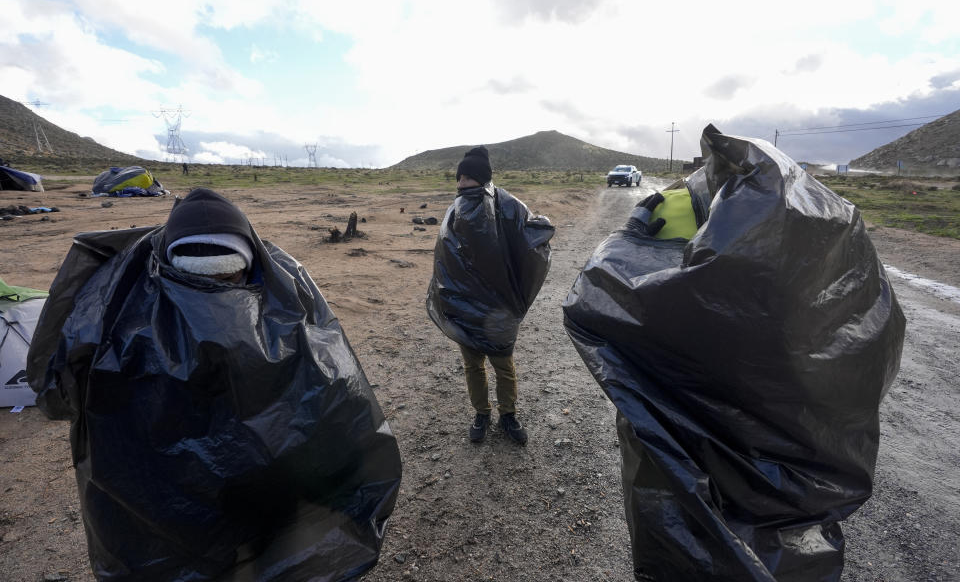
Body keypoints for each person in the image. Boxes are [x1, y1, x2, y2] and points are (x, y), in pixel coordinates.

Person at [563, 126, 905, 581]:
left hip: (678, 431)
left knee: (679, 537)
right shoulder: (830, 222)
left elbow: (602, 307)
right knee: (787, 551)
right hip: (789, 439)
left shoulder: (672, 207)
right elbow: (875, 336)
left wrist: (627, 243)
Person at [27, 188, 401, 582]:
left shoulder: (282, 289)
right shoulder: (122, 308)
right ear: (170, 265)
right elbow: (56, 389)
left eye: (229, 276)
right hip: (177, 496)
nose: (215, 296)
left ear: (250, 262)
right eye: (197, 280)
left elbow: (331, 377)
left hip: (243, 488)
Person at [426, 146, 555, 445]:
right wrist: (446, 298)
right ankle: (481, 414)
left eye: (469, 177)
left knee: (503, 364)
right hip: (463, 305)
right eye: (459, 177)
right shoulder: (453, 211)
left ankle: (508, 415)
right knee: (472, 364)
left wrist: (541, 229)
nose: (462, 183)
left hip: (499, 307)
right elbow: (443, 258)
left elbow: (531, 239)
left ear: (482, 179)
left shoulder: (508, 205)